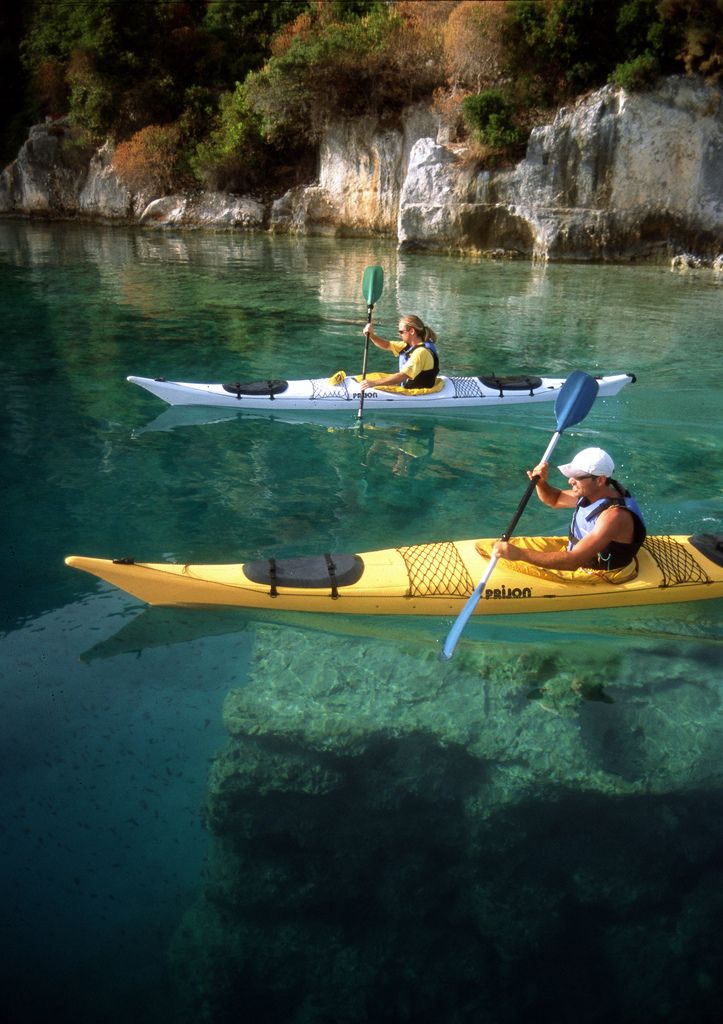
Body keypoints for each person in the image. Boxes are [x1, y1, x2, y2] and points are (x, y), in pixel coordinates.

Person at [492, 447, 647, 572]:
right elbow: (554, 499)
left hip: (601, 574)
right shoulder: (594, 492)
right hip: (576, 556)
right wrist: (541, 483)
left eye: (577, 476)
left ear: (600, 480)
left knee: (514, 556)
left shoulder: (614, 516)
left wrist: (519, 554)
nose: (570, 480)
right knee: (489, 550)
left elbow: (573, 562)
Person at [360, 315, 439, 391]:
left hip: (417, 392)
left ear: (412, 331)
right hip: (407, 385)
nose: (399, 334)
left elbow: (402, 376)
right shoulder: (408, 346)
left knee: (375, 381)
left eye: (401, 332)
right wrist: (371, 336)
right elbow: (387, 345)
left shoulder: (421, 352)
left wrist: (373, 383)